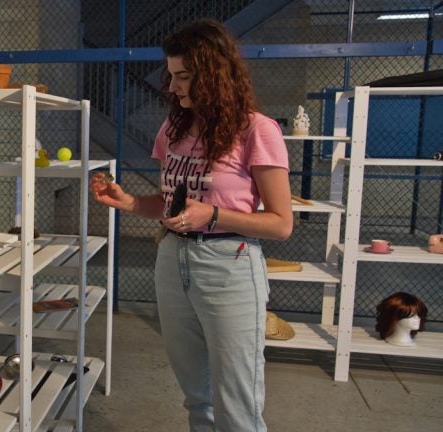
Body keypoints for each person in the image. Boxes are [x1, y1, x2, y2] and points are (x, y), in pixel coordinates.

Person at [91, 19, 292, 432]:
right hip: (172, 259)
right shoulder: (173, 129)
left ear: (215, 75)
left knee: (237, 403)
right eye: (172, 75)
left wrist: (213, 215)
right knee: (197, 399)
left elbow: (280, 224)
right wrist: (127, 201)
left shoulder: (257, 130)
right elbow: (170, 207)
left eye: (183, 76)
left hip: (229, 265)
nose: (173, 85)